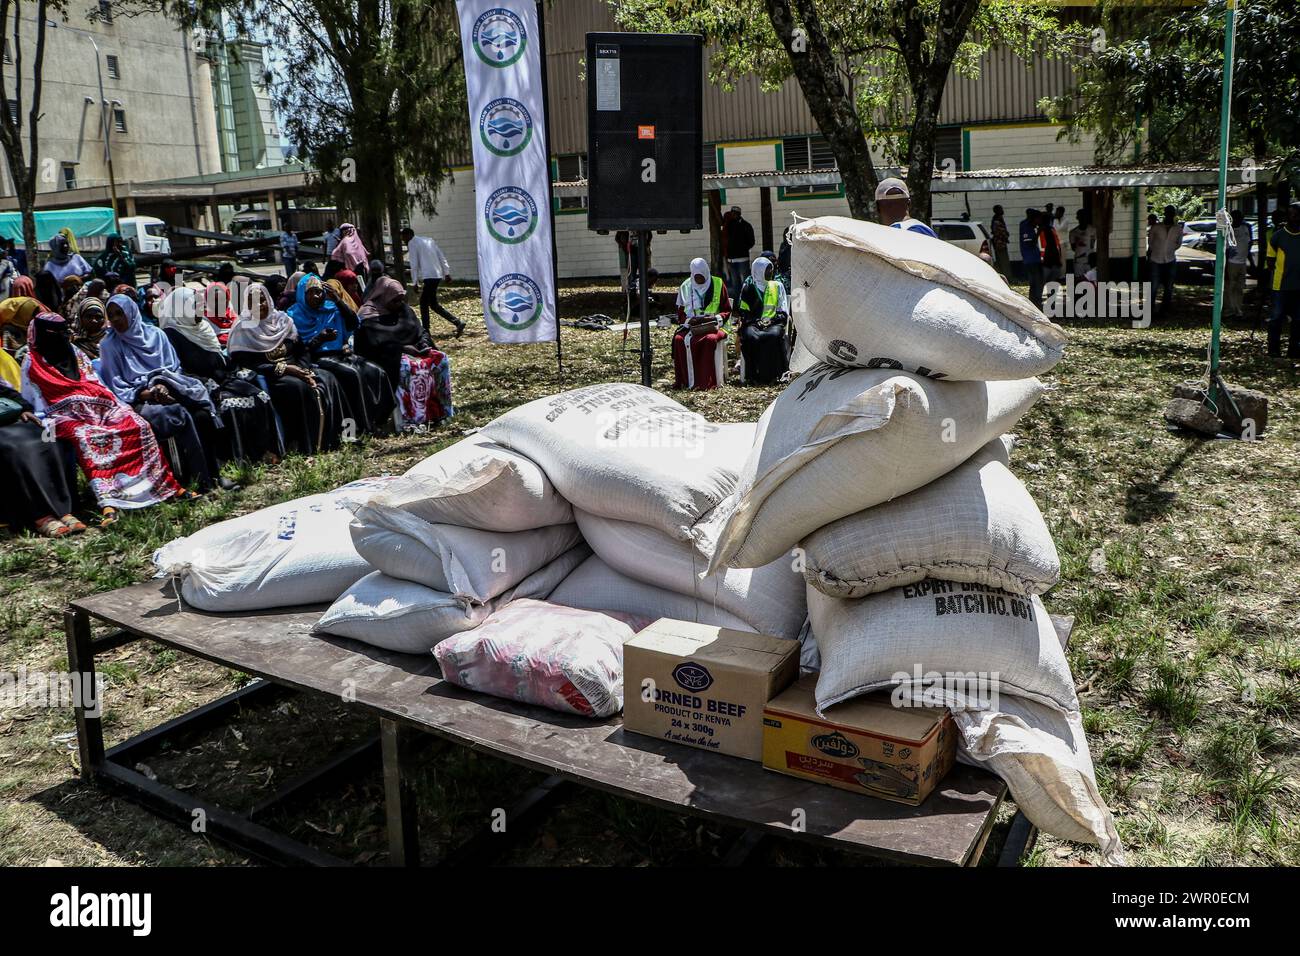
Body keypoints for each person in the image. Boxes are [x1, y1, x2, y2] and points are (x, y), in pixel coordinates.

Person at [21, 311, 185, 523]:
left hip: (98, 406)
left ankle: (165, 486)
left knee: (137, 424)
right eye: (54, 333)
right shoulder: (32, 361)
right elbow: (34, 399)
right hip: (58, 415)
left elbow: (92, 380)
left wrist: (102, 405)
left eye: (63, 332)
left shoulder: (75, 352)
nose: (61, 338)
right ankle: (109, 502)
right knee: (87, 437)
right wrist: (70, 407)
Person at [98, 293, 224, 492]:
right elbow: (116, 385)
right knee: (176, 414)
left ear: (131, 313)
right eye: (111, 315)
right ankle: (197, 480)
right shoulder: (109, 345)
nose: (115, 320)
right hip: (138, 398)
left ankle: (215, 473)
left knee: (202, 414)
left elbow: (174, 367)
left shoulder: (156, 334)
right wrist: (150, 393)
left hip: (170, 387)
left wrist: (163, 383)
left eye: (119, 314)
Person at [156, 286, 283, 465]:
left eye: (201, 305)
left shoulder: (203, 327)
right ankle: (240, 459)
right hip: (199, 386)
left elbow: (219, 359)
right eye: (195, 306)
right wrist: (206, 383)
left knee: (260, 396)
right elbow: (177, 370)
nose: (201, 310)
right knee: (229, 406)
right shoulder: (171, 335)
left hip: (223, 378)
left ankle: (264, 451)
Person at [229, 283, 345, 454]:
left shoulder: (283, 320)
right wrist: (287, 369)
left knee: (328, 378)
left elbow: (301, 350)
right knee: (297, 387)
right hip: (270, 376)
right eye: (254, 302)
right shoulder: (242, 329)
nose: (260, 305)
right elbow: (250, 364)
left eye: (262, 300)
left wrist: (303, 370)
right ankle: (307, 445)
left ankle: (333, 438)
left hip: (297, 369)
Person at [288, 275, 394, 434]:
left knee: (377, 372)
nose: (317, 296)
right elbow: (300, 349)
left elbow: (354, 323)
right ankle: (362, 426)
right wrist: (320, 338)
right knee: (352, 375)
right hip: (317, 357)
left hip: (339, 353)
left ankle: (380, 418)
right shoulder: (294, 314)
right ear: (303, 294)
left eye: (319, 292)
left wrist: (338, 300)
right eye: (311, 292)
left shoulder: (330, 308)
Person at [353, 275, 454, 428]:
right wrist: (402, 349)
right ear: (384, 297)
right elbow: (372, 343)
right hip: (385, 356)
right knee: (409, 367)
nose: (399, 303)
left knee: (440, 359)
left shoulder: (403, 309)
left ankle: (441, 410)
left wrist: (423, 343)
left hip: (412, 350)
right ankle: (413, 416)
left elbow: (419, 330)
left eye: (402, 299)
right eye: (395, 300)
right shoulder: (368, 314)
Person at [0, 377, 85, 537]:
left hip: (7, 420)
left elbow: (8, 392)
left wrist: (25, 409)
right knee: (15, 449)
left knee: (48, 439)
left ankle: (62, 510)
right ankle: (39, 516)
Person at [672, 256, 730, 391]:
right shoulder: (686, 286)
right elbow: (680, 314)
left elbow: (726, 310)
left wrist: (714, 318)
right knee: (679, 339)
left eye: (701, 277)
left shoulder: (718, 283)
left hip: (714, 326)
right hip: (693, 326)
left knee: (708, 340)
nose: (699, 280)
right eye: (696, 277)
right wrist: (689, 321)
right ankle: (686, 381)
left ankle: (706, 381)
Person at [735, 256, 789, 384]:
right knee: (750, 336)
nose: (771, 272)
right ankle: (754, 375)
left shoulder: (777, 286)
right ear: (758, 271)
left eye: (771, 269)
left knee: (773, 335)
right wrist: (755, 321)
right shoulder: (748, 288)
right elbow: (744, 312)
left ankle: (773, 375)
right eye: (767, 270)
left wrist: (771, 320)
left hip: (773, 322)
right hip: (753, 324)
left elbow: (783, 310)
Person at [401, 227, 465, 336]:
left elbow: (414, 264)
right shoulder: (429, 240)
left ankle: (426, 330)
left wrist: (415, 282)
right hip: (437, 275)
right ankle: (457, 322)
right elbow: (441, 256)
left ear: (408, 235)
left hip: (429, 276)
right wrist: (446, 272)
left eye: (403, 237)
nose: (403, 240)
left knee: (423, 304)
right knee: (433, 304)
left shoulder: (412, 243)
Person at [1265, 201, 1300, 361]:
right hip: (1280, 286)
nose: (1296, 217)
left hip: (1298, 287)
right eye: (1293, 214)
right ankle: (1273, 349)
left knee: (1298, 320)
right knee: (1276, 317)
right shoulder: (1278, 235)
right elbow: (1270, 261)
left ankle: (1294, 349)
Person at [1147, 205, 1184, 318]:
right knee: (1154, 286)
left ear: (1174, 214)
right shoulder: (1156, 227)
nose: (1169, 215)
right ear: (1165, 213)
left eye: (1171, 213)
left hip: (1170, 259)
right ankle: (1150, 309)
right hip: (1156, 260)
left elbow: (1178, 243)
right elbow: (1151, 241)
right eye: (1168, 212)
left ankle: (1164, 310)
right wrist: (1156, 251)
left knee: (1169, 287)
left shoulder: (1178, 229)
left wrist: (1170, 249)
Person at [1224, 209, 1254, 320]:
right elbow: (1226, 250)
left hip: (1242, 262)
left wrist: (1251, 262)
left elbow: (1248, 245)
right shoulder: (1228, 230)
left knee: (1240, 287)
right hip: (1232, 262)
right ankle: (1229, 309)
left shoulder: (1246, 228)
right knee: (1230, 287)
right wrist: (1226, 266)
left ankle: (1238, 308)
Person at [722, 206, 755, 299]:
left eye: (735, 213)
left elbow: (751, 241)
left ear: (739, 214)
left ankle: (747, 299)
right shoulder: (728, 226)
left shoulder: (746, 225)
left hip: (742, 259)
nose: (733, 215)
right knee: (735, 283)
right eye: (732, 213)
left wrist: (742, 248)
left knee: (745, 281)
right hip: (731, 260)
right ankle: (737, 302)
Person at [201, 281, 240, 347]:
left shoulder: (235, 316)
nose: (219, 303)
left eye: (222, 299)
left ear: (228, 299)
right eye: (214, 300)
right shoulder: (203, 322)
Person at [1020, 208, 1044, 311]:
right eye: (1038, 219)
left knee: (1034, 283)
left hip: (1031, 258)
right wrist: (1039, 232)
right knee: (1036, 282)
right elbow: (1030, 243)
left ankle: (1034, 302)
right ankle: (1036, 303)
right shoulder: (1027, 227)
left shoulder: (1026, 224)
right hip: (1031, 259)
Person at [1039, 203, 1065, 285]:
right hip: (1050, 259)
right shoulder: (1049, 230)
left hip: (1048, 260)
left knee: (1047, 281)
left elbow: (1053, 245)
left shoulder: (1047, 230)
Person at [1068, 209, 1096, 281]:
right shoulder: (1073, 232)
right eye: (1081, 216)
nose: (1083, 218)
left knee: (1091, 282)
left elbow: (1092, 244)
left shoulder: (1093, 230)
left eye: (1084, 216)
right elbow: (1073, 248)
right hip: (1079, 261)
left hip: (1090, 261)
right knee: (1079, 282)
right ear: (1077, 218)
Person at [990, 205, 1012, 279]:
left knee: (1003, 260)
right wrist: (1006, 235)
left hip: (1001, 243)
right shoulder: (996, 221)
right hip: (1000, 244)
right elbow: (1000, 232)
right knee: (1003, 260)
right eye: (1001, 209)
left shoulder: (999, 219)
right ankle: (1006, 277)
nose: (1002, 210)